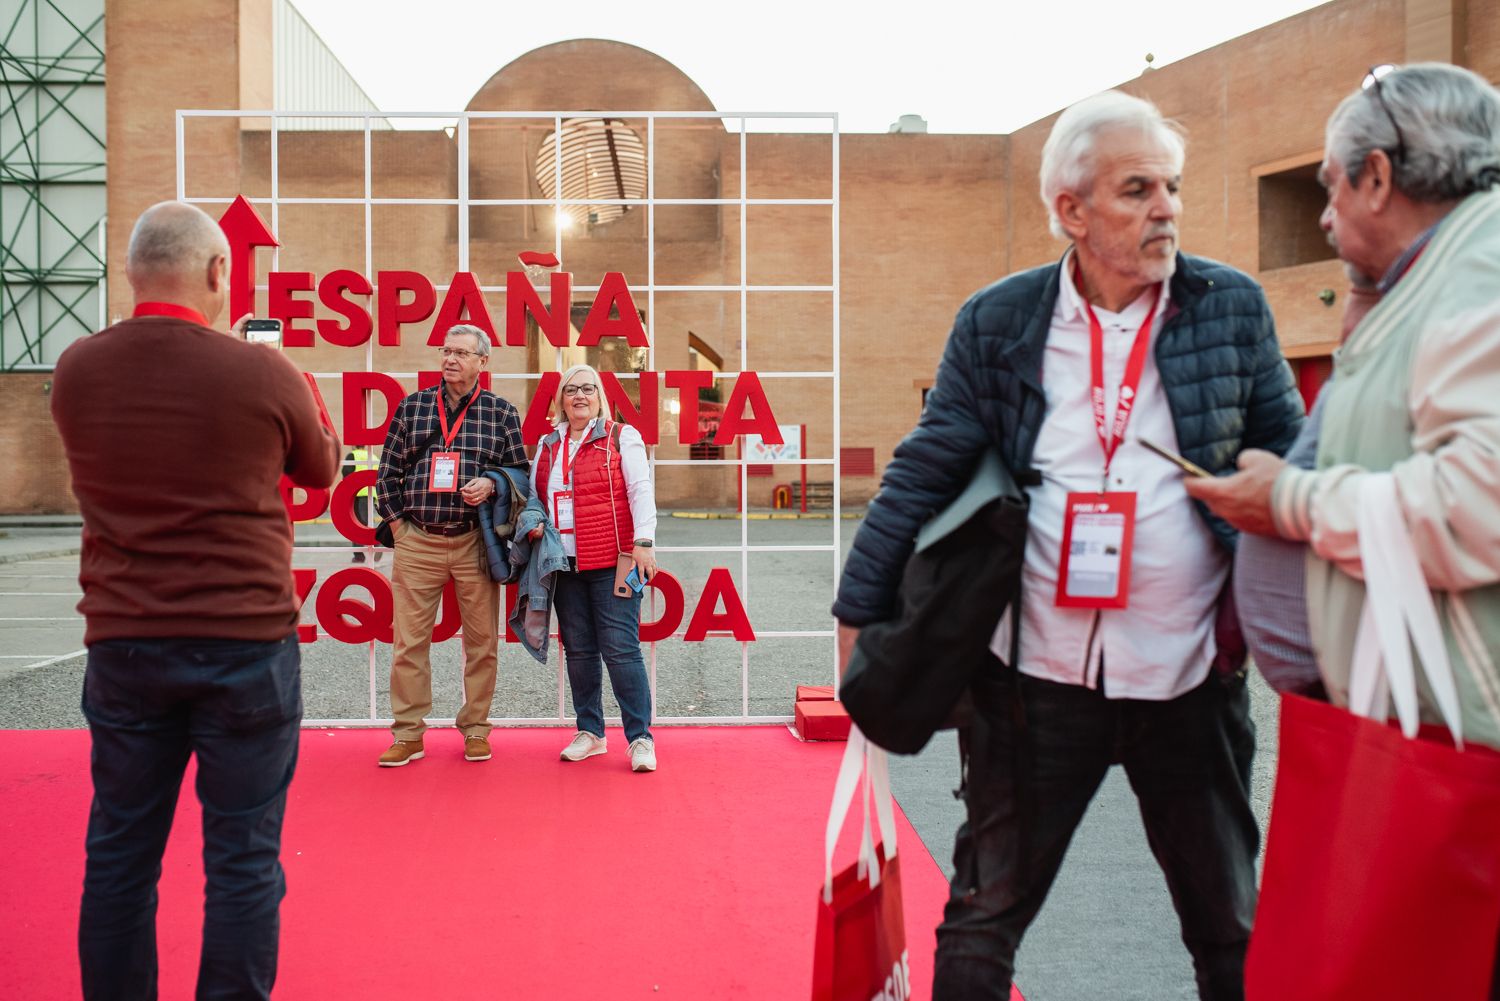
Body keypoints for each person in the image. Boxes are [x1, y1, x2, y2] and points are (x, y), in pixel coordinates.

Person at [832, 91, 1304, 1001]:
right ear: (1071, 211)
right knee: (980, 921)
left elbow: (1289, 449)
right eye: (1137, 189)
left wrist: (1280, 509)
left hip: (1189, 676)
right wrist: (857, 613)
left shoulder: (1231, 307)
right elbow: (923, 470)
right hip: (1030, 684)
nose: (1166, 206)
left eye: (1172, 186)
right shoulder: (999, 320)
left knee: (1233, 931)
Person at [51, 200, 341, 999]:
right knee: (243, 857)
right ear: (219, 273)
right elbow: (321, 469)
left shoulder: (79, 368)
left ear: (132, 269)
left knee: (119, 853)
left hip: (125, 642)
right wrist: (304, 397)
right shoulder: (262, 370)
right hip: (244, 640)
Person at [1186, 64, 1500, 750]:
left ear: (1380, 178)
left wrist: (1289, 500)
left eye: (1331, 186)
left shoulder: (1483, 273)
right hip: (1416, 728)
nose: (1325, 216)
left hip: (1459, 750)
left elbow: (1482, 504)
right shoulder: (1448, 271)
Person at [374, 323, 527, 767]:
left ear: (483, 361)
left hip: (475, 545)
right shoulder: (414, 407)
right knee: (409, 644)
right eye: (446, 351)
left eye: (461, 353)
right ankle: (408, 735)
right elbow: (387, 475)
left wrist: (493, 482)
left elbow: (521, 475)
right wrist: (400, 528)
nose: (449, 360)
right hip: (418, 539)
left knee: (482, 643)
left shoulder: (500, 413)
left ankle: (476, 729)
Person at [528, 363, 660, 772]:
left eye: (587, 389)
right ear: (561, 400)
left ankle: (640, 738)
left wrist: (644, 542)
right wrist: (532, 520)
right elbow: (536, 495)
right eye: (571, 390)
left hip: (613, 559)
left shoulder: (622, 436)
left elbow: (640, 490)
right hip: (562, 563)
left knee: (621, 650)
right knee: (580, 651)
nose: (579, 396)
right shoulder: (548, 443)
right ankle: (591, 732)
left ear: (599, 396)